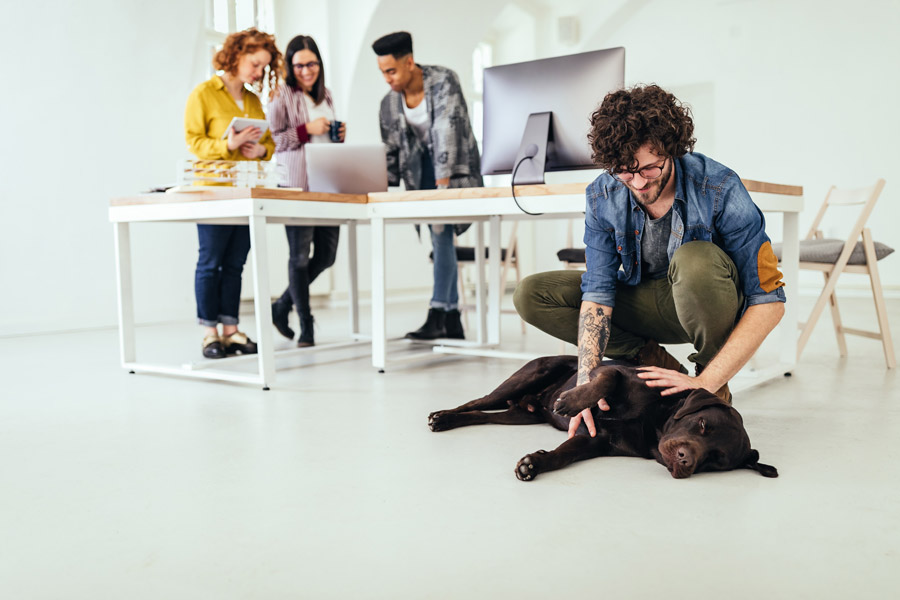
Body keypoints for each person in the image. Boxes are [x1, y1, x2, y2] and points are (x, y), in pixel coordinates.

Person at [513, 84, 785, 438]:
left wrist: (705, 381)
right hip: (650, 303)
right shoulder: (602, 193)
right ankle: (651, 362)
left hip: (707, 300)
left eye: (650, 169)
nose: (639, 183)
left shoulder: (719, 187)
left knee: (696, 261)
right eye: (625, 172)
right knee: (531, 293)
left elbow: (770, 302)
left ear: (671, 149)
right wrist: (586, 383)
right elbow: (598, 293)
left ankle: (709, 391)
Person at [372, 31, 483, 340]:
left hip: (454, 167)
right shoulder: (388, 103)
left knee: (440, 232)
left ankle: (440, 312)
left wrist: (443, 182)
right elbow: (390, 149)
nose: (387, 79)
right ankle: (449, 317)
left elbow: (448, 128)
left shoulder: (443, 80)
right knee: (439, 237)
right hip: (419, 170)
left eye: (391, 71)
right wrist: (380, 185)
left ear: (409, 62)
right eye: (382, 72)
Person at [184, 28, 281, 359]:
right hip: (213, 191)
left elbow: (269, 143)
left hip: (246, 190)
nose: (257, 72)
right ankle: (210, 334)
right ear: (236, 54)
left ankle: (231, 330)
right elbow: (194, 141)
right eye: (254, 63)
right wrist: (229, 145)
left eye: (262, 67)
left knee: (236, 263)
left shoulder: (253, 99)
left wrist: (259, 150)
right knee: (210, 262)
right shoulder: (203, 93)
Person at [268, 35, 346, 347]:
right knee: (299, 257)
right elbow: (272, 139)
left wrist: (338, 133)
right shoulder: (281, 94)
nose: (305, 70)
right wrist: (305, 130)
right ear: (290, 66)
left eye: (311, 63)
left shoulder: (325, 94)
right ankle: (306, 323)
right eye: (298, 65)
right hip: (297, 184)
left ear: (319, 64)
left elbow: (325, 139)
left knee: (326, 255)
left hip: (327, 184)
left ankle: (282, 304)